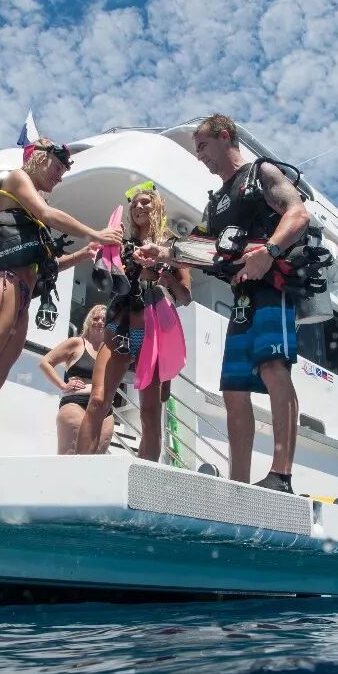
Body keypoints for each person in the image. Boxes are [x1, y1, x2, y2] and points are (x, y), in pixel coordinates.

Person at [136, 115, 309, 493]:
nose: (199, 156)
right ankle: (239, 485)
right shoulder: (216, 205)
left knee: (273, 368)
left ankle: (281, 475)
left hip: (274, 285)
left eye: (202, 146)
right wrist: (161, 253)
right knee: (233, 388)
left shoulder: (261, 173)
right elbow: (197, 249)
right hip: (242, 297)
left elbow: (298, 214)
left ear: (225, 136)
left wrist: (269, 252)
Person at [0, 137, 121, 456]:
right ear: (38, 156)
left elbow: (45, 268)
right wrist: (95, 233)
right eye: (58, 166)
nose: (60, 175)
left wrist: (82, 254)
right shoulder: (16, 178)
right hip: (0, 283)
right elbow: (46, 213)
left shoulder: (29, 218)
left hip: (21, 296)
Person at [77, 182, 191, 461]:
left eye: (145, 202)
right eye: (134, 203)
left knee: (150, 413)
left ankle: (144, 478)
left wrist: (164, 276)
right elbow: (107, 279)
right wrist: (106, 254)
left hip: (154, 329)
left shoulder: (174, 248)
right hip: (120, 323)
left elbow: (185, 296)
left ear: (158, 206)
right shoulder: (121, 244)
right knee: (97, 400)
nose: (138, 206)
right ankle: (78, 470)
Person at [39, 304, 114, 455]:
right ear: (89, 321)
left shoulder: (111, 350)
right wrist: (63, 385)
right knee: (71, 455)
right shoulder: (77, 343)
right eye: (96, 318)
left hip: (104, 409)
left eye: (104, 319)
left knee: (97, 459)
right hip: (76, 403)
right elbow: (45, 362)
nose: (100, 322)